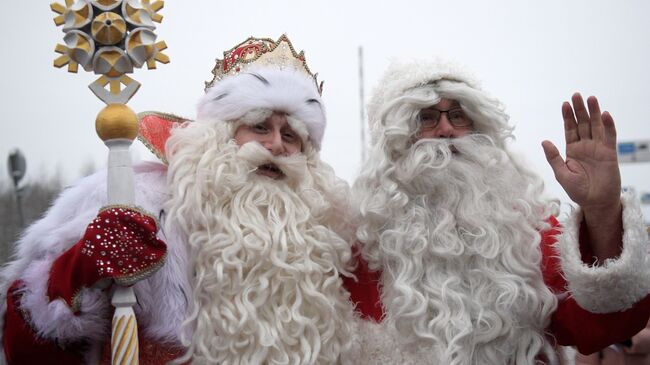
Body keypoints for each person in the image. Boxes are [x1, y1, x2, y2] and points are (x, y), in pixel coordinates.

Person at [0, 35, 358, 365]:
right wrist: (81, 269)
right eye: (260, 127)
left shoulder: (327, 239)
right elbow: (22, 345)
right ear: (219, 136)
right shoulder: (142, 201)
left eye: (291, 135)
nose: (277, 145)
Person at [344, 58, 650, 364]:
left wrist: (601, 211)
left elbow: (602, 325)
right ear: (394, 141)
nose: (447, 129)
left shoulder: (527, 230)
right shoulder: (360, 243)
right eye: (426, 117)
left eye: (458, 115)